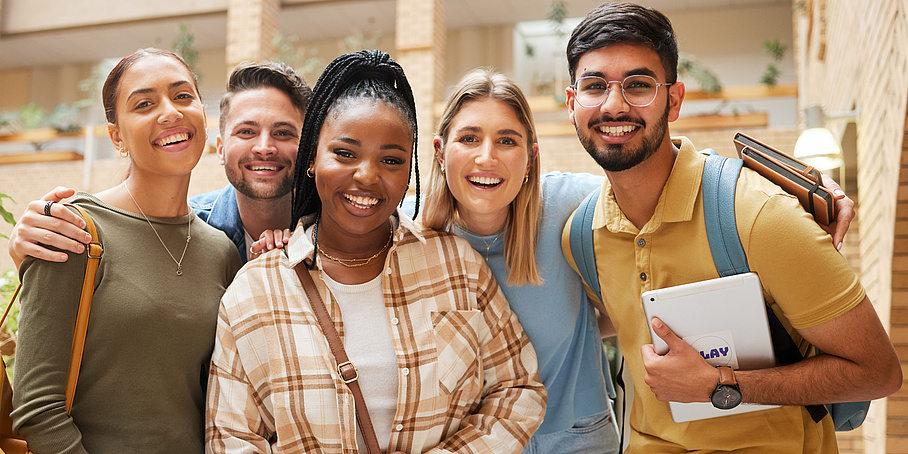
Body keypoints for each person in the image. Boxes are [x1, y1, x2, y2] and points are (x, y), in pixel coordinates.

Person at [560, 3, 901, 453]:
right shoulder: (582, 236)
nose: (614, 104)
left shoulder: (760, 215)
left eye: (639, 85)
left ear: (674, 100)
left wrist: (723, 384)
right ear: (572, 104)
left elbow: (877, 372)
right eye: (595, 86)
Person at [206, 50, 546, 453]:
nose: (367, 175)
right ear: (312, 158)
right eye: (345, 153)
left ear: (409, 173)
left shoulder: (457, 266)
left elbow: (518, 389)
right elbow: (231, 440)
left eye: (390, 160)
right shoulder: (252, 293)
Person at [11, 48, 241, 453]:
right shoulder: (74, 230)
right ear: (117, 136)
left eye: (183, 96)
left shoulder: (220, 250)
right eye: (144, 104)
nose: (170, 112)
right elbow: (37, 409)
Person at [415, 69, 617, 454]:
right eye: (469, 138)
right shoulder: (408, 230)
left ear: (530, 158)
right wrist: (282, 236)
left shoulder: (569, 205)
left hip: (577, 434)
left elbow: (659, 186)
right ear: (440, 152)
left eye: (507, 140)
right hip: (470, 442)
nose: (486, 157)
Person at [5, 60, 311, 266]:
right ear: (219, 148)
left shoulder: (336, 231)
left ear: (309, 148)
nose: (264, 147)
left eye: (283, 132)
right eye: (246, 131)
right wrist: (22, 252)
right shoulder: (182, 230)